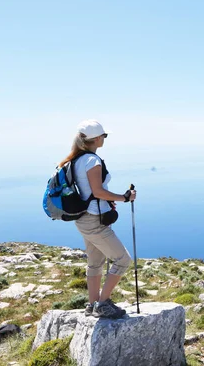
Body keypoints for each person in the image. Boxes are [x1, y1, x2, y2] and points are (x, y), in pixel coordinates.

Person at [58, 120, 137, 319]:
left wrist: (108, 202)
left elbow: (89, 193)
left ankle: (92, 304)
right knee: (123, 259)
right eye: (104, 136)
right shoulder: (92, 161)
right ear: (95, 139)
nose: (105, 139)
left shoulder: (75, 160)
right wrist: (124, 197)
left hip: (83, 218)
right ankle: (102, 304)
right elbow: (98, 191)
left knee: (95, 263)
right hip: (94, 221)